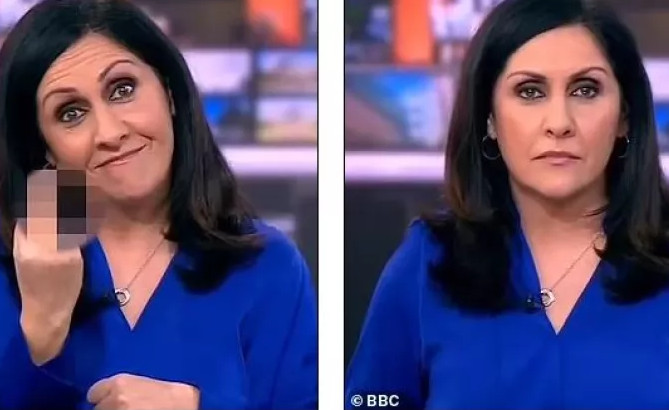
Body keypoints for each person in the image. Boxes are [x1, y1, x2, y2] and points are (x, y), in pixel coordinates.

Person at [346, 0, 669, 408]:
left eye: (585, 90)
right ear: (490, 120)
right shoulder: (429, 261)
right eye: (529, 91)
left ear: (624, 115)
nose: (559, 123)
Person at [0, 0, 317, 409]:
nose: (109, 133)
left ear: (168, 92)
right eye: (71, 113)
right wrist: (43, 326)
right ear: (46, 150)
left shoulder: (267, 266)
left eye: (123, 90)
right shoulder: (10, 268)